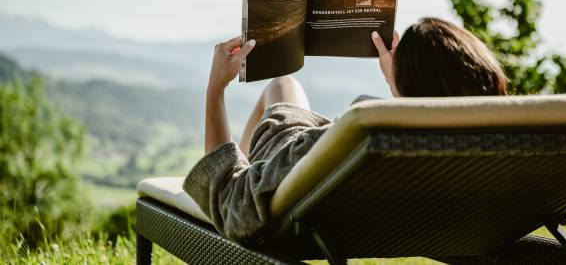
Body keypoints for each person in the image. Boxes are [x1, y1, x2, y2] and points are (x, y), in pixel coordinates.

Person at [183, 17, 508, 242]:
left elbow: (231, 204)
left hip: (306, 176)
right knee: (283, 83)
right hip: (400, 207)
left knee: (280, 83)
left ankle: (249, 161)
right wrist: (399, 83)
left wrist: (215, 89)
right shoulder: (498, 144)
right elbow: (433, 110)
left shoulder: (361, 134)